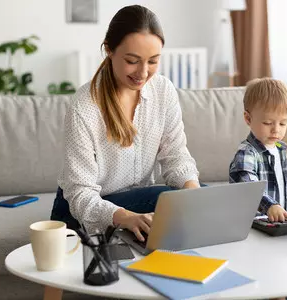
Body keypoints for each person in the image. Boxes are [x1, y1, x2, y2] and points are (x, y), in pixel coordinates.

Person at [51, 5, 200, 242]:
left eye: (153, 61)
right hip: (80, 211)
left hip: (136, 202)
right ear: (109, 50)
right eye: (132, 61)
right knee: (167, 199)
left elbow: (175, 155)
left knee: (202, 198)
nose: (143, 72)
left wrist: (193, 191)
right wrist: (125, 217)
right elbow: (79, 193)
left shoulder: (163, 90)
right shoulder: (85, 106)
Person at [229, 78, 287, 222]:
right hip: (252, 225)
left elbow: (284, 182)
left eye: (283, 123)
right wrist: (270, 205)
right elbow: (248, 187)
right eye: (267, 123)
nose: (276, 130)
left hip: (277, 223)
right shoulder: (247, 153)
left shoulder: (279, 150)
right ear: (248, 119)